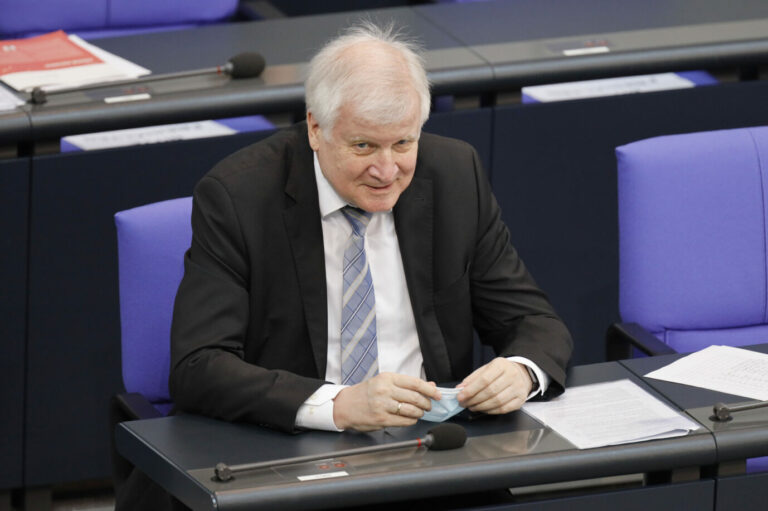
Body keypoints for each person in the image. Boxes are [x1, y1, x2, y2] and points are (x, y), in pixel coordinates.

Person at [168, 22, 572, 435]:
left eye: (403, 144)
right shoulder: (240, 196)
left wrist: (521, 371)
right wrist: (337, 404)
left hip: (431, 440)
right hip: (297, 442)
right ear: (314, 128)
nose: (386, 171)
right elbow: (199, 366)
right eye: (363, 146)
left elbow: (533, 321)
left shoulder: (454, 176)